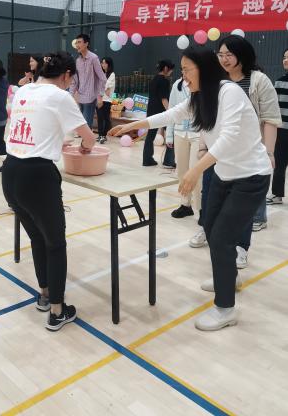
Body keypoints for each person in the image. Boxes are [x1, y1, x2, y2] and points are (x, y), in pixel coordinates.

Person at [109, 49, 272, 332]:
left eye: (187, 70)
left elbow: (230, 138)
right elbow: (172, 114)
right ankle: (228, 277)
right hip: (225, 174)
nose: (183, 76)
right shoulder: (200, 96)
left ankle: (225, 308)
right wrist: (135, 125)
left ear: (204, 69)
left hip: (251, 176)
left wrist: (195, 170)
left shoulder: (229, 93)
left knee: (221, 237)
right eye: (182, 70)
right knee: (209, 226)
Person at [2, 52, 96, 331]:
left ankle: (44, 294)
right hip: (38, 178)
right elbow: (89, 137)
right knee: (55, 243)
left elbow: (32, 129)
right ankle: (57, 311)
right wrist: (85, 147)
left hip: (11, 172)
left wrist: (55, 141)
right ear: (66, 75)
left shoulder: (23, 90)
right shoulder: (60, 96)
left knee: (37, 238)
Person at [217, 35, 280, 269]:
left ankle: (241, 248)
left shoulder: (258, 80)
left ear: (242, 55)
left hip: (250, 154)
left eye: (229, 54)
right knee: (219, 203)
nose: (224, 59)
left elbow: (270, 118)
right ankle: (215, 237)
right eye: (220, 54)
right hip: (221, 152)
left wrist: (269, 153)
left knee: (242, 207)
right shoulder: (219, 81)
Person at [166, 77, 201, 218]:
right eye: (182, 68)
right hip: (180, 132)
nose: (184, 72)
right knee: (181, 170)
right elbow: (171, 109)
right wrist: (169, 135)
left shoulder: (202, 82)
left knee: (196, 172)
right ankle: (185, 204)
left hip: (198, 133)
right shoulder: (177, 84)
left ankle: (200, 208)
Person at [69, 34, 106, 128]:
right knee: (81, 125)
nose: (77, 45)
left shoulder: (93, 58)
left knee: (86, 126)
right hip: (80, 97)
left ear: (86, 44)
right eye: (76, 43)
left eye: (79, 42)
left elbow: (102, 78)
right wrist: (70, 94)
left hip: (90, 98)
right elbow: (75, 80)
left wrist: (100, 96)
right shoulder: (78, 60)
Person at [142, 59, 175, 167]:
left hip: (151, 110)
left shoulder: (154, 79)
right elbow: (164, 99)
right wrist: (171, 112)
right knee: (171, 134)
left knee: (150, 136)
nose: (171, 72)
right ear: (165, 68)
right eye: (171, 70)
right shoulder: (164, 81)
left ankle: (147, 159)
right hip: (161, 113)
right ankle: (168, 160)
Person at [267, 48, 288, 205]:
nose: (285, 60)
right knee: (279, 162)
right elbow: (274, 107)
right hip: (282, 129)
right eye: (284, 57)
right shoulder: (279, 81)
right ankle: (277, 194)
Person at [96, 57, 115, 144]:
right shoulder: (101, 74)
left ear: (109, 64)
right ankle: (100, 135)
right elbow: (100, 85)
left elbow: (106, 85)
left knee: (106, 118)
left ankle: (104, 135)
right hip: (99, 98)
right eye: (102, 63)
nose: (103, 65)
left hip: (107, 100)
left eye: (105, 63)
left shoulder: (112, 74)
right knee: (99, 118)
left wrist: (104, 86)